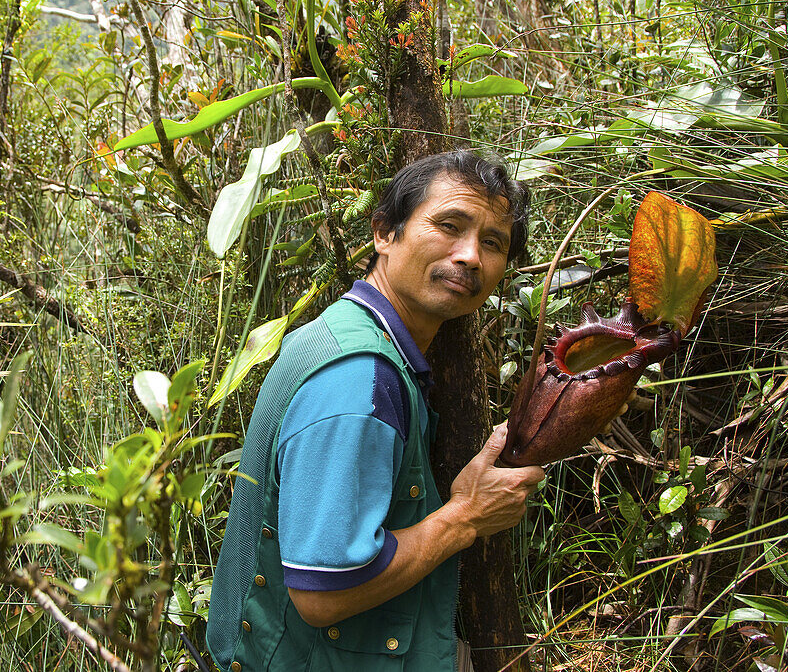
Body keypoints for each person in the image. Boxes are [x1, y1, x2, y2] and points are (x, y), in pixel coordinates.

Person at [205, 150, 547, 671]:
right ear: (384, 232)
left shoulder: (347, 333)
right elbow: (324, 594)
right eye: (449, 225)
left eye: (493, 243)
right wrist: (466, 516)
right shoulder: (359, 379)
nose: (470, 256)